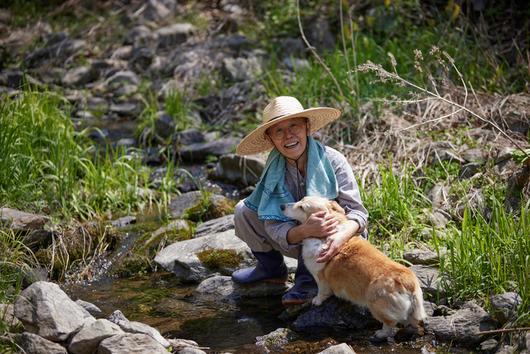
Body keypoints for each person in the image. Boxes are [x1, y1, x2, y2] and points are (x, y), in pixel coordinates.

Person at [231, 96, 368, 305]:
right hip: (299, 236)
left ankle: (308, 280)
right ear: (270, 139)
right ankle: (271, 269)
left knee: (326, 221)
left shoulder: (333, 160)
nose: (288, 135)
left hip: (336, 240)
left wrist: (339, 237)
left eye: (294, 125)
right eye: (278, 130)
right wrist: (305, 231)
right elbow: (272, 223)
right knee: (244, 210)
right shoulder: (272, 171)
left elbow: (358, 214)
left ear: (307, 127)